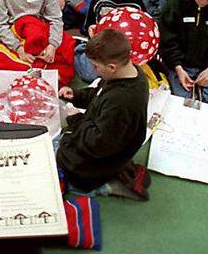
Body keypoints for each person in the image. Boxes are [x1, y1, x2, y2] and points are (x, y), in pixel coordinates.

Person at [57, 29, 151, 200]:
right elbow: (100, 95)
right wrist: (77, 95)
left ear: (112, 67)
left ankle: (106, 186)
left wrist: (75, 118)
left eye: (95, 66)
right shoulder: (129, 72)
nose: (94, 69)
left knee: (59, 158)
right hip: (107, 137)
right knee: (61, 143)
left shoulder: (122, 101)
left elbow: (97, 144)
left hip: (98, 156)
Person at [73, 0, 145, 82]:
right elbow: (88, 23)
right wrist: (91, 28)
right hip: (99, 47)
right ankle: (78, 52)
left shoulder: (136, 4)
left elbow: (141, 32)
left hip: (123, 51)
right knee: (91, 75)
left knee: (131, 74)